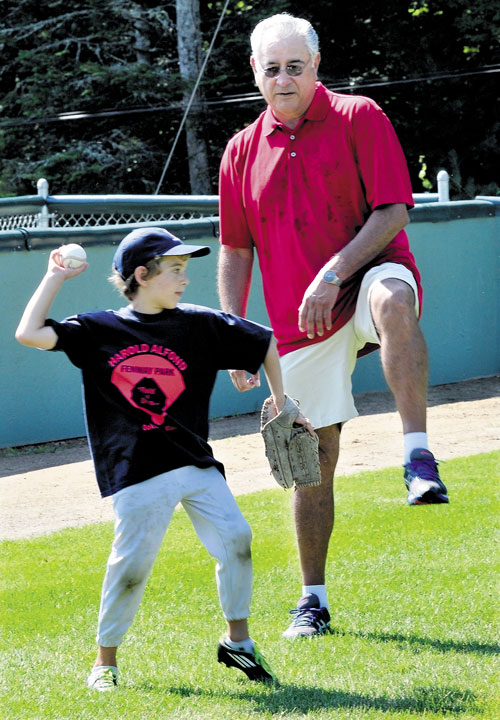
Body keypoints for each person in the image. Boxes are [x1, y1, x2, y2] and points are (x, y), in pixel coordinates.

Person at [217, 13, 449, 640]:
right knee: (311, 460)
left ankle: (417, 456)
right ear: (256, 74)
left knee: (394, 301)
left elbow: (394, 210)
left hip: (369, 275)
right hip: (299, 326)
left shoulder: (359, 116)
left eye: (296, 66)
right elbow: (236, 251)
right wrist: (236, 332)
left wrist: (335, 273)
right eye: (273, 68)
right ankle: (312, 602)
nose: (284, 78)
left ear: (316, 68)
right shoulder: (239, 151)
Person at [16, 227, 311, 689]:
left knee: (236, 539)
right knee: (131, 567)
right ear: (141, 275)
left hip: (194, 461)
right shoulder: (99, 330)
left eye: (185, 270)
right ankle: (104, 664)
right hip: (136, 469)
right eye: (174, 269)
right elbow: (29, 333)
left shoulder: (198, 323)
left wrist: (282, 402)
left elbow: (265, 342)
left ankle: (239, 644)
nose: (184, 279)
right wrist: (54, 276)